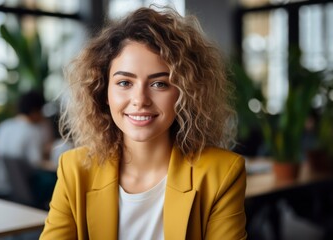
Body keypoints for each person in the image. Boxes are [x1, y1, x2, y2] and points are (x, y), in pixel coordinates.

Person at [40, 6, 247, 240]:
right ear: (103, 92)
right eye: (124, 83)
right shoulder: (74, 169)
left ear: (184, 93)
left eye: (159, 84)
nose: (140, 100)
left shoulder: (222, 173)